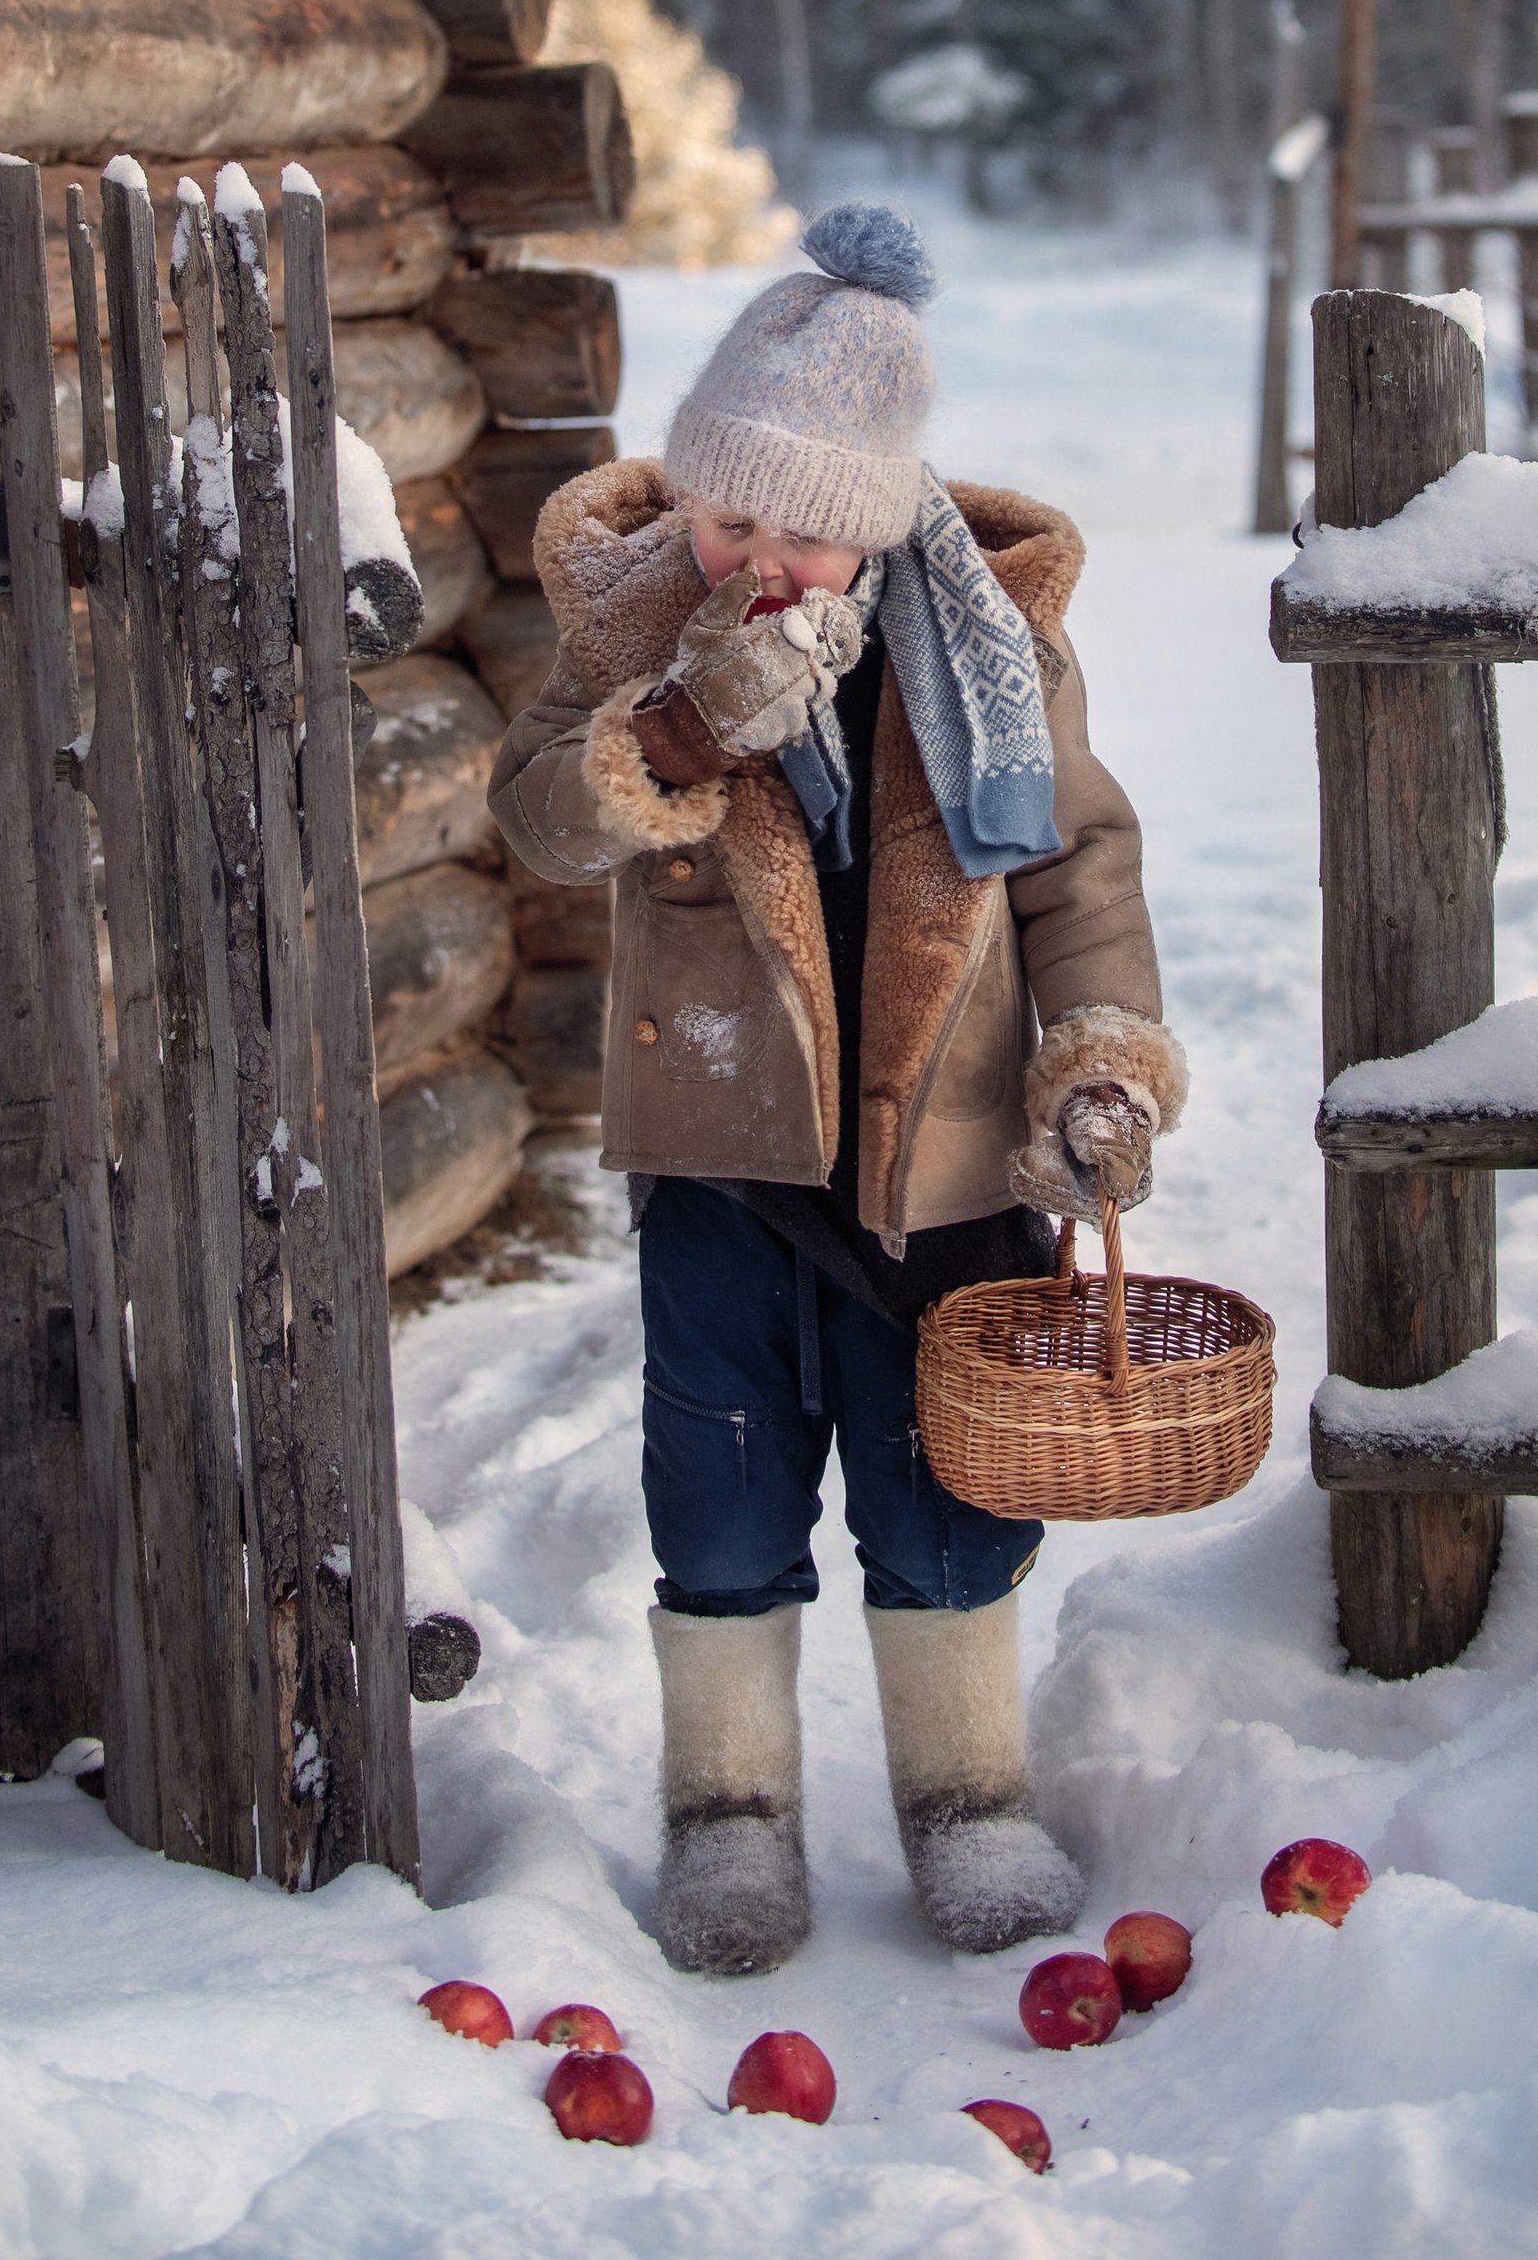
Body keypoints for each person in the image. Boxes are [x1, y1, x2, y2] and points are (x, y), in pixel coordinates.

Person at [489, 201, 1185, 1976]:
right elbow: (536, 819)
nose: (762, 560)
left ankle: (969, 1795)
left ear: (875, 519)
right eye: (731, 517)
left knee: (938, 1473)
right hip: (721, 1144)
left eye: (804, 529)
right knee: (718, 1474)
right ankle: (728, 1808)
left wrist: (1104, 1059)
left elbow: (1079, 873)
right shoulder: (641, 627)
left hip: (943, 1145)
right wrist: (672, 736)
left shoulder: (991, 648)